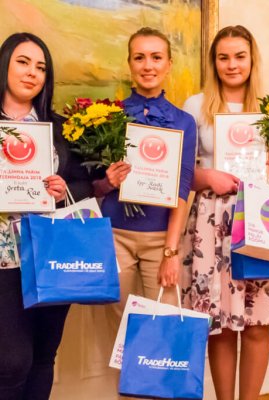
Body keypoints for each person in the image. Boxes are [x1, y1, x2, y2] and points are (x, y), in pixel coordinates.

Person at [181, 25, 269, 400]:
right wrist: (207, 176)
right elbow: (181, 173)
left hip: (258, 220)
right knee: (219, 324)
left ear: (252, 60)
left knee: (257, 322)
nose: (232, 65)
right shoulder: (195, 106)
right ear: (213, 62)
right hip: (210, 225)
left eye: (239, 56)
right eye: (223, 57)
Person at [0, 32, 93, 400]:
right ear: (4, 65)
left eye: (41, 67)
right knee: (11, 362)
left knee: (43, 356)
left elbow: (83, 184)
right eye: (23, 62)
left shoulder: (58, 128)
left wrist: (62, 189)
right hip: (4, 258)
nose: (32, 73)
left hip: (52, 253)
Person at [92, 27, 196, 329]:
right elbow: (93, 186)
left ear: (169, 64)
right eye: (139, 57)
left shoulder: (184, 122)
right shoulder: (108, 116)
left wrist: (171, 252)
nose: (148, 65)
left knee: (162, 327)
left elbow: (182, 189)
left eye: (156, 57)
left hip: (161, 238)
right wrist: (108, 183)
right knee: (119, 330)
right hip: (114, 235)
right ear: (129, 64)